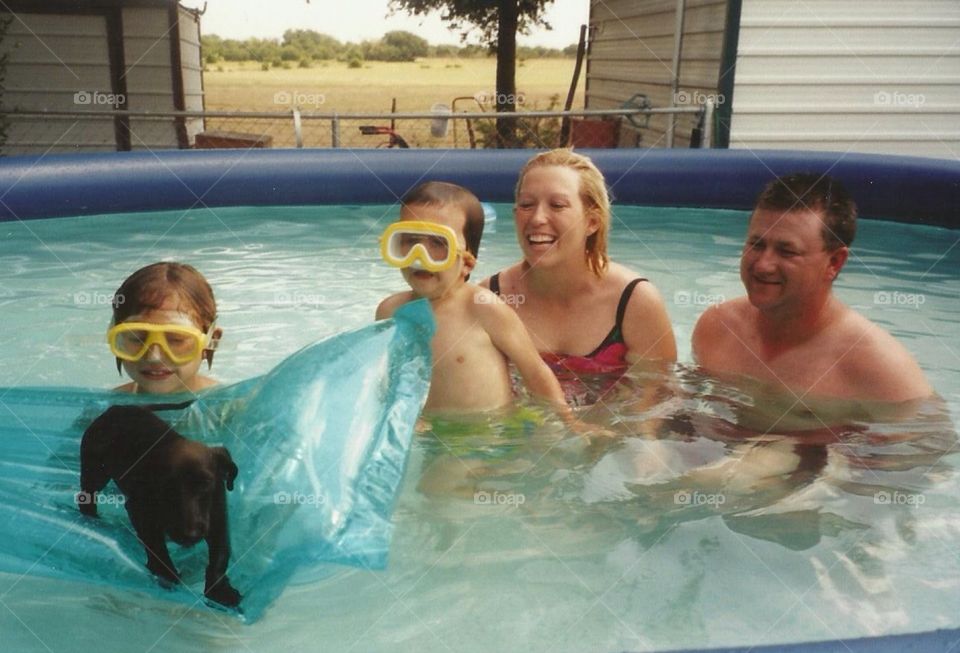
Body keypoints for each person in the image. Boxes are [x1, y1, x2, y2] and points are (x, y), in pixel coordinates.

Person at [692, 172, 932, 403]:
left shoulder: (880, 368)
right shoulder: (718, 327)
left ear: (834, 262)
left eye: (787, 251)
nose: (763, 265)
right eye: (757, 244)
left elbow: (929, 444)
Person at [481, 149, 676, 388]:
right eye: (526, 204)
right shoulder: (489, 298)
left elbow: (653, 401)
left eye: (558, 205)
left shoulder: (635, 301)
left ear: (592, 221)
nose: (537, 218)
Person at [376, 181, 568, 415]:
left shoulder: (484, 309)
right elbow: (388, 377)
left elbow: (535, 371)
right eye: (409, 240)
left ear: (466, 263)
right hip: (426, 433)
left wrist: (567, 422)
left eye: (438, 243)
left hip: (488, 435)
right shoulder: (390, 311)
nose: (420, 255)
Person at [108, 262, 223, 394]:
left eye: (176, 339)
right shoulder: (103, 408)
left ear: (211, 342)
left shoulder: (232, 408)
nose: (154, 357)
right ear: (118, 341)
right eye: (137, 338)